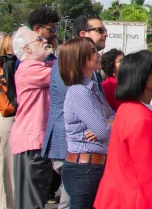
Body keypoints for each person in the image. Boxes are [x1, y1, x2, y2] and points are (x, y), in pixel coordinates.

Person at [43, 14, 108, 209]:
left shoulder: (90, 79)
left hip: (88, 156)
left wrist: (107, 123)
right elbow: (102, 129)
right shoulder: (77, 86)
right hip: (77, 152)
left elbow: (107, 117)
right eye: (99, 30)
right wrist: (104, 125)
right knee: (69, 202)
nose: (105, 34)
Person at [94, 50, 152, 209]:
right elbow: (149, 176)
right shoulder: (142, 119)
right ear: (146, 78)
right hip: (133, 200)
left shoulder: (128, 108)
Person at [60, 37, 115, 209]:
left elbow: (113, 118)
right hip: (85, 168)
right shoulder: (79, 92)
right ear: (79, 58)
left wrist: (109, 123)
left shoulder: (91, 88)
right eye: (92, 51)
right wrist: (108, 124)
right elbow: (104, 133)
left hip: (90, 166)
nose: (97, 54)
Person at [10, 28, 55, 208]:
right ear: (27, 49)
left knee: (33, 197)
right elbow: (64, 72)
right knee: (32, 200)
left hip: (33, 141)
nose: (44, 41)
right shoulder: (30, 68)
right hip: (31, 142)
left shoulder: (39, 67)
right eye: (38, 39)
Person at [0, 33, 17, 209]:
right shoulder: (8, 65)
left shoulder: (5, 64)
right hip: (8, 118)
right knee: (7, 169)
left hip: (8, 118)